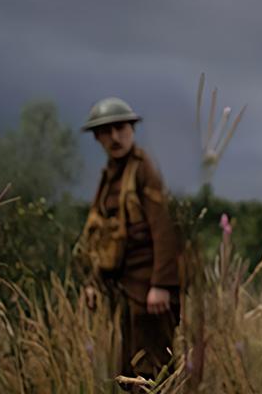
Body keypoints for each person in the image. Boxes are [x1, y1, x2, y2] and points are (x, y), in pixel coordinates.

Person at [79, 97, 182, 382]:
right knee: (128, 368)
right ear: (97, 137)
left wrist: (161, 284)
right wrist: (93, 283)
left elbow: (163, 227)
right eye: (106, 131)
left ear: (132, 129)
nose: (114, 137)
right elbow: (102, 237)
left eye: (120, 128)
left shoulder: (143, 168)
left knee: (155, 369)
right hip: (122, 287)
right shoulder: (109, 175)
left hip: (148, 285)